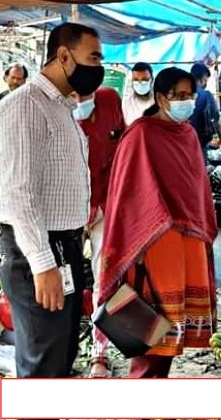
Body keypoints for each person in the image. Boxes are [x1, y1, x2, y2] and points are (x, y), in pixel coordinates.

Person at [97, 67, 217, 378]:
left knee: (171, 335)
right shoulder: (140, 134)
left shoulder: (188, 134)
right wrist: (137, 239)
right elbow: (126, 195)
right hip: (152, 244)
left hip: (188, 241)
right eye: (178, 96)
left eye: (190, 95)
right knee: (149, 332)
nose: (186, 102)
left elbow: (197, 190)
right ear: (161, 97)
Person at [0, 22, 104, 377]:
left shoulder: (61, 106)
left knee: (60, 354)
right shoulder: (25, 105)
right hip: (38, 253)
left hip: (65, 248)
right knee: (43, 360)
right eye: (93, 57)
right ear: (63, 55)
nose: (98, 68)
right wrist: (43, 265)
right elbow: (16, 194)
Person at [71, 87, 126, 378]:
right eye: (74, 96)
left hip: (106, 204)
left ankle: (99, 353)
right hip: (65, 208)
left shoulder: (109, 101)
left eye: (85, 94)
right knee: (66, 281)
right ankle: (63, 348)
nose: (80, 102)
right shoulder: (53, 109)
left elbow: (122, 150)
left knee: (105, 278)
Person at [188, 63, 221, 151]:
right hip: (199, 142)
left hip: (182, 142)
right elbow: (217, 122)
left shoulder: (180, 94)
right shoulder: (206, 96)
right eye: (206, 81)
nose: (206, 83)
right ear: (202, 79)